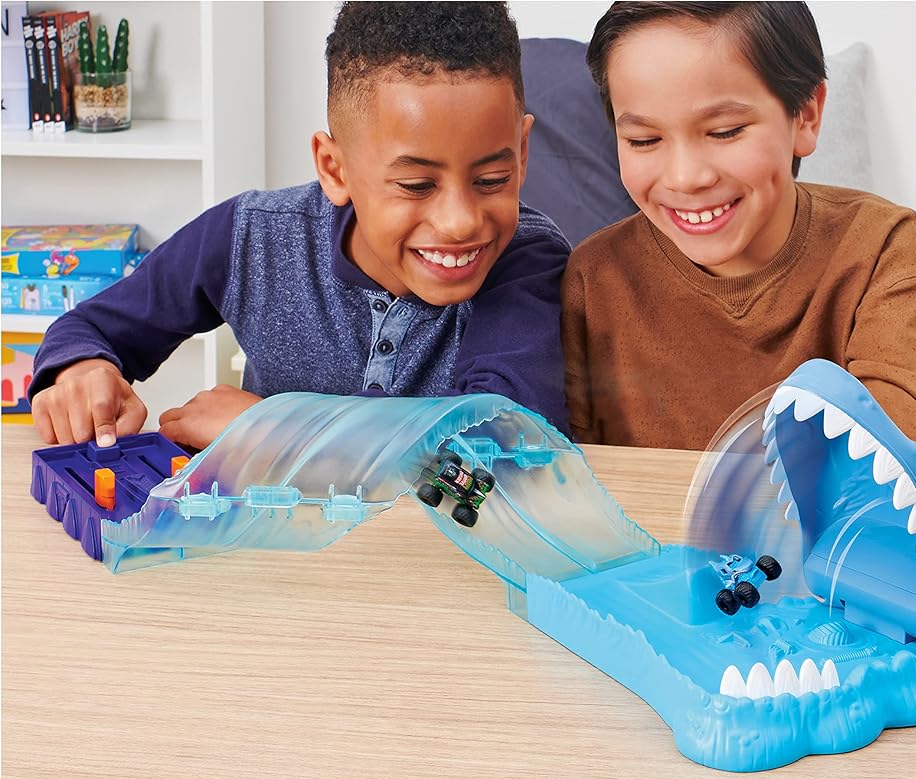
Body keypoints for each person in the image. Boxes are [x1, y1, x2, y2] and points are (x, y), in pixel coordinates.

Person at [29, 1, 571, 450]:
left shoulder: (526, 262)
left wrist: (272, 428)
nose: (459, 221)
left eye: (492, 179)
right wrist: (82, 371)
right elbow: (88, 329)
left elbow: (505, 439)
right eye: (416, 185)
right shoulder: (252, 237)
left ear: (522, 152)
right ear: (334, 169)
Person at [562, 1, 916, 450]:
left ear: (806, 115)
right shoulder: (593, 279)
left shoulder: (882, 249)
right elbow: (566, 471)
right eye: (644, 140)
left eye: (725, 131)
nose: (686, 177)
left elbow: (882, 464)